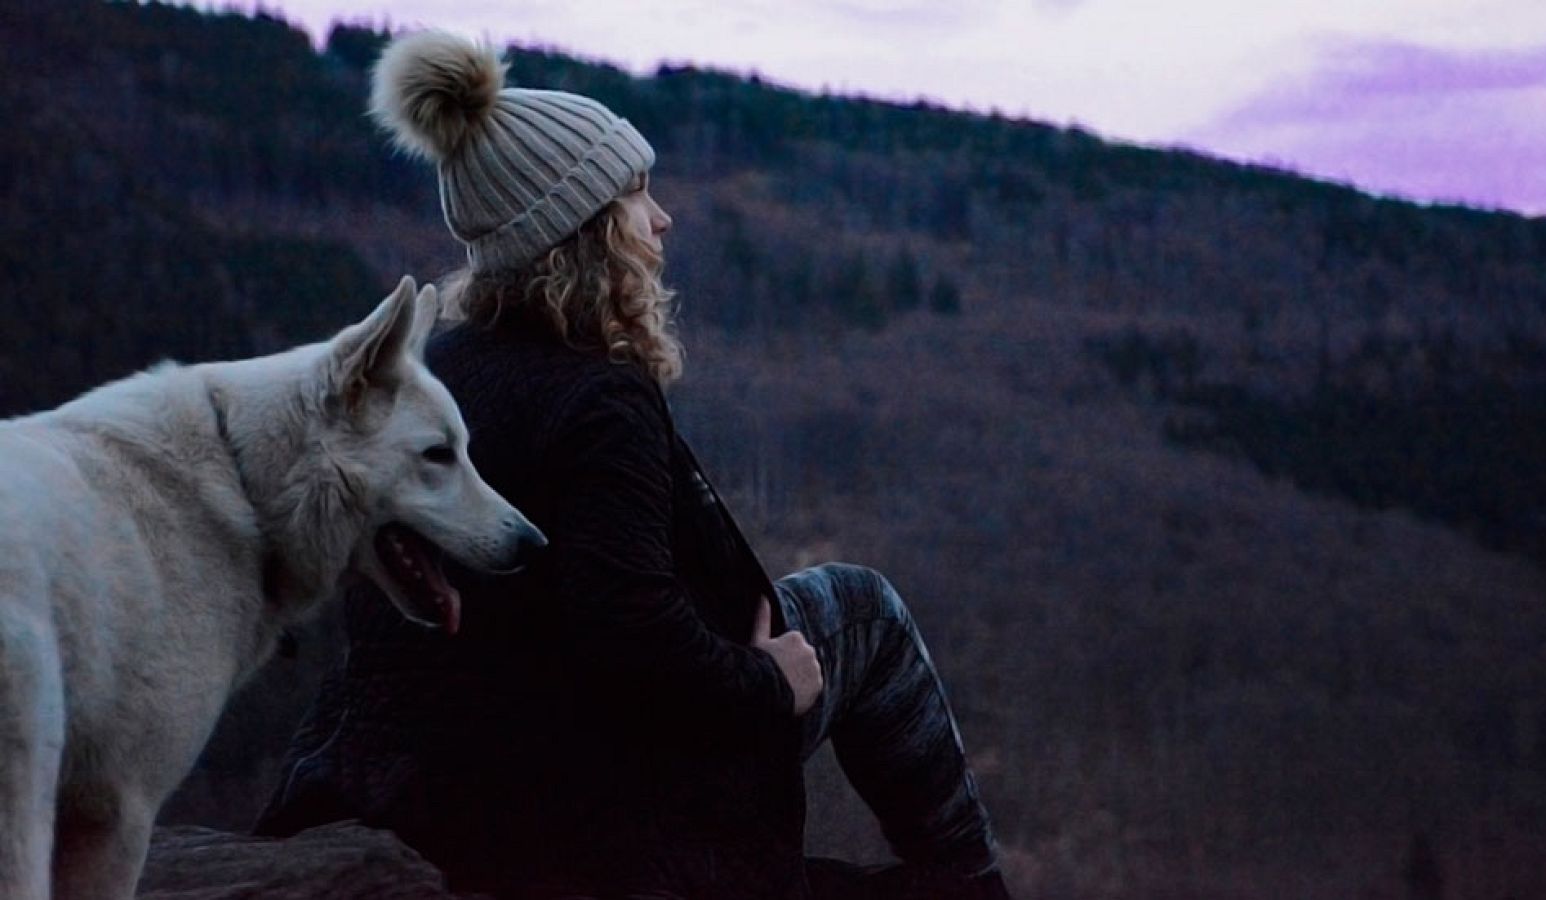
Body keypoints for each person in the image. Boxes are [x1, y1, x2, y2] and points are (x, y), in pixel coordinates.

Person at [256, 30, 1009, 900]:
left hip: (435, 762)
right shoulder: (596, 398)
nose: (662, 218)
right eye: (636, 195)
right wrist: (767, 683)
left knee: (846, 609)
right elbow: (633, 632)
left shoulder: (437, 374)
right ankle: (972, 884)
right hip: (574, 784)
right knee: (865, 614)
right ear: (580, 234)